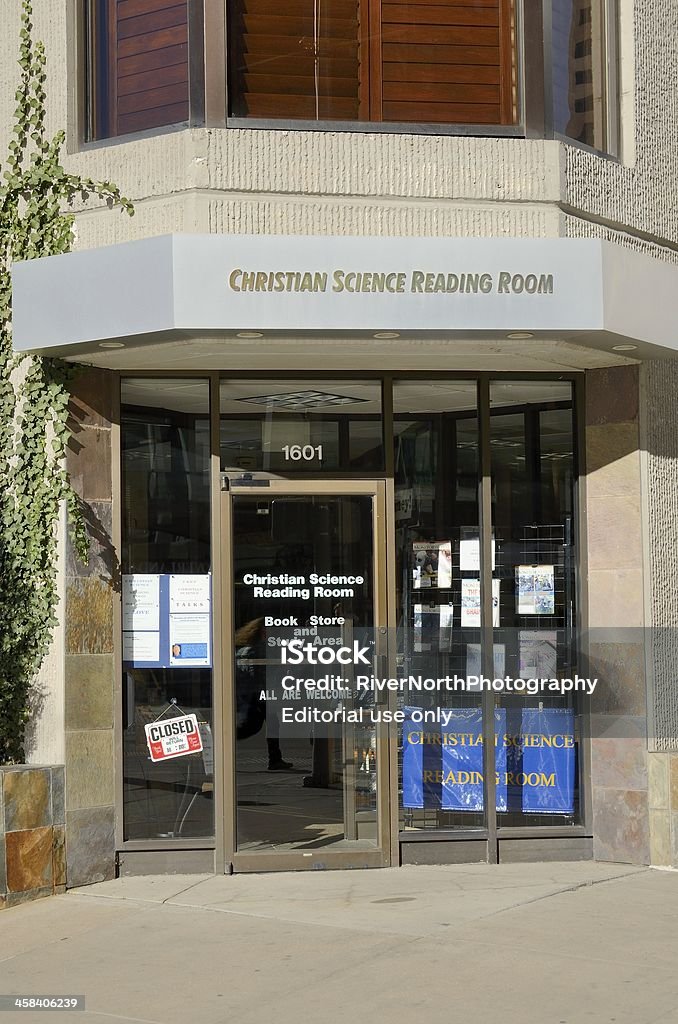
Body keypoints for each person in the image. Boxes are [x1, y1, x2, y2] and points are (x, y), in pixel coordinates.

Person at [234, 618, 293, 771]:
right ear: (262, 631)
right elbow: (259, 672)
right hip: (259, 693)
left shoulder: (246, 648)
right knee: (251, 726)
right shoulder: (258, 648)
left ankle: (275, 759)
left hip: (254, 693)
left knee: (265, 724)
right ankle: (219, 742)